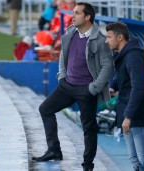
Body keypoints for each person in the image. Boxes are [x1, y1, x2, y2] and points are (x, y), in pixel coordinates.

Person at [32, 2, 114, 171]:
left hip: (87, 90)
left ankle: (87, 164)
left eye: (77, 13)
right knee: (45, 109)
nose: (72, 15)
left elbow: (108, 66)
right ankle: (54, 150)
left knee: (89, 128)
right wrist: (62, 76)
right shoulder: (71, 32)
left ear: (87, 17)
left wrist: (93, 88)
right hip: (67, 85)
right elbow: (63, 54)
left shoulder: (99, 39)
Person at [105, 22, 144, 171]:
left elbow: (138, 87)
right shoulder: (122, 56)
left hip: (138, 113)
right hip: (127, 111)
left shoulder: (133, 55)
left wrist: (129, 116)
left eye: (109, 37)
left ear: (120, 37)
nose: (106, 41)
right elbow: (120, 80)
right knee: (135, 161)